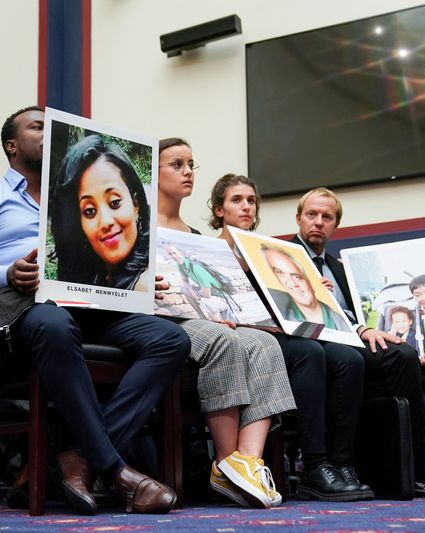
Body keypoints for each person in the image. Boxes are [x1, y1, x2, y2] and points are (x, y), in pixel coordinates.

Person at [0, 106, 189, 515]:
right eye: (37, 126)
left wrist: (143, 285)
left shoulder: (70, 197)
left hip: (89, 308)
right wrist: (7, 273)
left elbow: (96, 258)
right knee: (54, 322)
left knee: (170, 339)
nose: (48, 131)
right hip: (17, 312)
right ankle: (115, 470)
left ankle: (78, 458)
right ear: (12, 145)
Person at [292, 186, 425, 497]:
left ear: (336, 225)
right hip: (329, 350)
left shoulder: (341, 268)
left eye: (327, 217)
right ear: (298, 219)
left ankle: (404, 459)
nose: (318, 221)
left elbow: (377, 322)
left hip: (364, 348)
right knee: (400, 356)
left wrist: (422, 352)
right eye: (311, 215)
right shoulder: (285, 260)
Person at [210, 173, 374, 502]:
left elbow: (287, 305)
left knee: (351, 359)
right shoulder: (211, 248)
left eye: (251, 201)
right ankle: (314, 465)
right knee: (310, 352)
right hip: (247, 336)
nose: (245, 207)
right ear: (219, 209)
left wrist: (315, 290)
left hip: (277, 330)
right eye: (237, 200)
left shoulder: (262, 250)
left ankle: (341, 465)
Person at [157, 138, 295, 508]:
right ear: (152, 173)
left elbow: (205, 291)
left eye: (190, 164)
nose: (187, 171)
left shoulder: (195, 237)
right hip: (164, 319)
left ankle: (247, 462)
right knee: (225, 340)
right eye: (177, 164)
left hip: (202, 317)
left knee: (266, 344)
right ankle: (225, 463)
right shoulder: (141, 224)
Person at [51, 135, 150, 291]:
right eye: (89, 211)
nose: (105, 221)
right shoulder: (92, 275)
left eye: (115, 203)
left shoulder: (146, 283)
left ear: (135, 204)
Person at [259, 244, 349, 331]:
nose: (292, 283)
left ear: (310, 280)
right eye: (280, 273)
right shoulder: (279, 306)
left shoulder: (338, 318)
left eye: (297, 276)